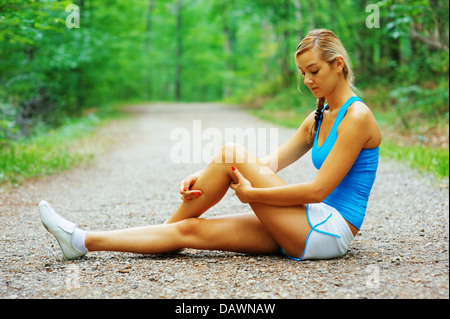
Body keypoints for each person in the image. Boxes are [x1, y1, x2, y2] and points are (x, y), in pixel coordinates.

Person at [39, 29, 381, 261]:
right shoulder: (319, 116)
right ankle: (80, 240)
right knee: (190, 230)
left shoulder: (356, 117)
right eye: (302, 73)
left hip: (329, 231)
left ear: (338, 65)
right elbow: (268, 166)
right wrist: (208, 175)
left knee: (230, 152)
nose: (307, 81)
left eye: (314, 71)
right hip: (307, 222)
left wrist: (253, 194)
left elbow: (318, 190)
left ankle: (160, 234)